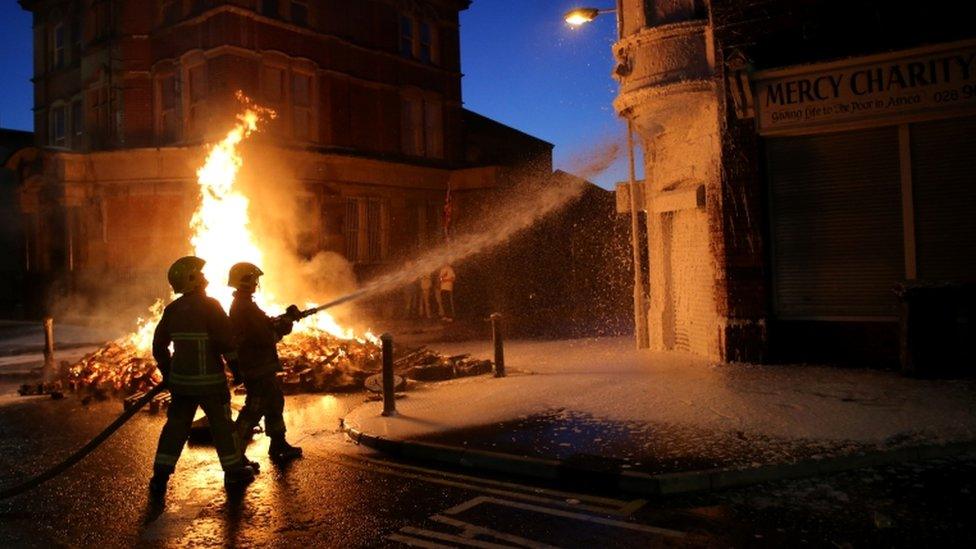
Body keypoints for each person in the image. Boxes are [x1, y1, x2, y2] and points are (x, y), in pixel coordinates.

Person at [149, 256, 254, 498]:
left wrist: (168, 372)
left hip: (182, 385)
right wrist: (237, 371)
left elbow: (159, 346)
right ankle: (234, 471)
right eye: (201, 274)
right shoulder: (211, 306)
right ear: (192, 279)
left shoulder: (172, 310)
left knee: (175, 428)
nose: (205, 278)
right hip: (211, 384)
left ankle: (160, 477)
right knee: (223, 427)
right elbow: (226, 343)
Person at [227, 262, 304, 464]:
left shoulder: (246, 305)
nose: (256, 283)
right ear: (246, 281)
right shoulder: (244, 307)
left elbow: (263, 324)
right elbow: (265, 337)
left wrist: (284, 318)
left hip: (260, 365)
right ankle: (235, 453)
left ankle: (278, 444)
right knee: (254, 408)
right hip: (256, 366)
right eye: (254, 279)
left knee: (274, 402)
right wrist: (283, 328)